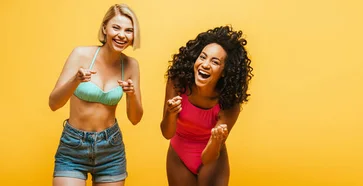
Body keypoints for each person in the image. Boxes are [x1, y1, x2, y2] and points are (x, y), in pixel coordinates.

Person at [48, 4, 143, 186]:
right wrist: (75, 80)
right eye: (116, 28)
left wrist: (131, 95)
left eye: (129, 30)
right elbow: (53, 103)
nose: (122, 35)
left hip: (111, 149)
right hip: (73, 146)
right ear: (104, 29)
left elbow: (135, 118)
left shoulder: (131, 65)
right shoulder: (81, 54)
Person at [161, 25, 253, 186]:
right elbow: (167, 133)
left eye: (215, 62)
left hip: (212, 157)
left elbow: (207, 158)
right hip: (178, 155)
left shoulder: (230, 104)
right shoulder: (177, 82)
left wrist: (216, 141)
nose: (205, 64)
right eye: (202, 57)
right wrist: (170, 113)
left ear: (224, 71)